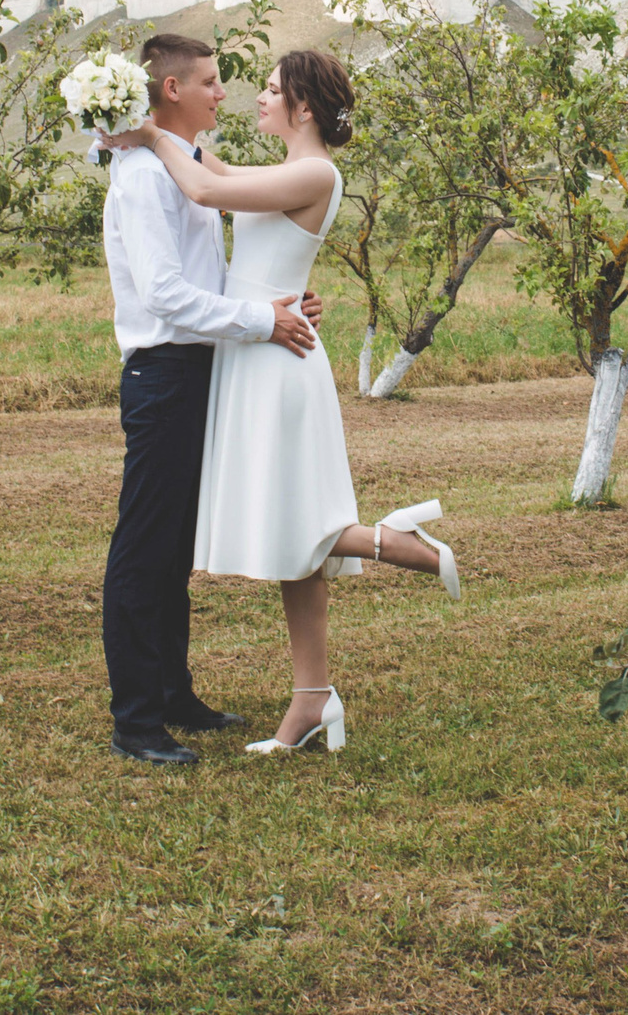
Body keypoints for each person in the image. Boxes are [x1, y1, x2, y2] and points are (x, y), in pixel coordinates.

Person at [110, 48, 460, 756]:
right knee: (268, 521)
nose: (251, 96)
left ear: (303, 107)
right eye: (224, 83)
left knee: (289, 515)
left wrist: (149, 135)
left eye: (271, 89)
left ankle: (393, 543)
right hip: (257, 344)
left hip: (273, 356)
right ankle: (311, 695)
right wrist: (128, 133)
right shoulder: (281, 170)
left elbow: (207, 191)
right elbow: (216, 177)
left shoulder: (314, 169)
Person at [99, 33, 326, 767]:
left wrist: (279, 300)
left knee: (172, 550)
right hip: (163, 372)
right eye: (211, 81)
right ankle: (136, 719)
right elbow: (166, 295)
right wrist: (266, 321)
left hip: (201, 369)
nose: (222, 94)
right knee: (143, 548)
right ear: (172, 91)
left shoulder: (180, 165)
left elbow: (213, 267)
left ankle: (174, 695)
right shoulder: (141, 176)